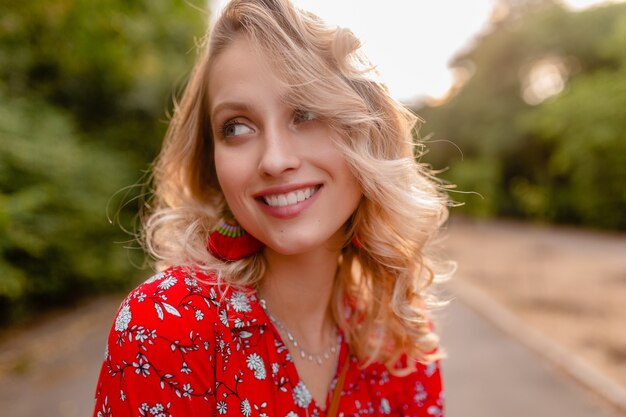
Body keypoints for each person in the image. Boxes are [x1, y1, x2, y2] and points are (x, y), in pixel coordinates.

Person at [93, 0, 451, 415]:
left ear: (367, 133)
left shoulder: (398, 336)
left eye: (306, 112)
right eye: (238, 127)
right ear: (212, 162)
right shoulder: (167, 325)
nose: (275, 159)